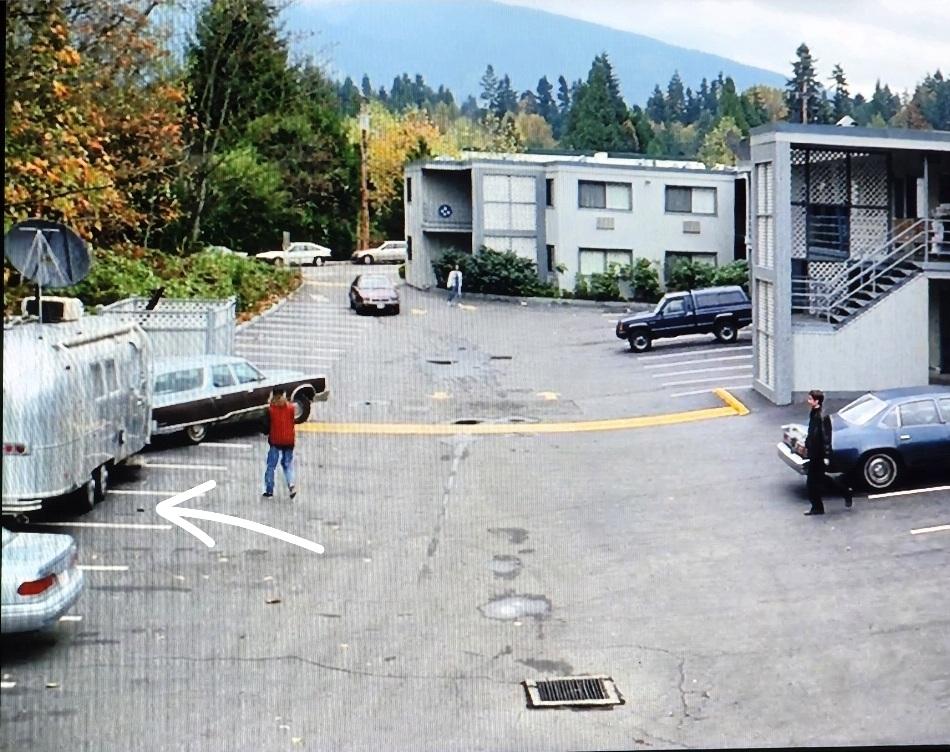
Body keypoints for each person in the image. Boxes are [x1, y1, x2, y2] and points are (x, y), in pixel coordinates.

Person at [800, 388, 852, 516]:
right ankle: (844, 492)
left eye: (810, 399)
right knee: (822, 479)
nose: (808, 401)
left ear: (816, 401)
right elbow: (811, 432)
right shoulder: (814, 413)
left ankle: (817, 507)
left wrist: (826, 455)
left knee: (812, 483)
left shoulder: (822, 417)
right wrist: (807, 445)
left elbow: (826, 437)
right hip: (814, 452)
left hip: (819, 454)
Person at [261, 387, 296, 499]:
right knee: (287, 465)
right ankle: (291, 484)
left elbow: (265, 427)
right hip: (289, 441)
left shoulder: (270, 409)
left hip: (275, 441)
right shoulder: (291, 408)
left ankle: (269, 490)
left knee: (271, 466)